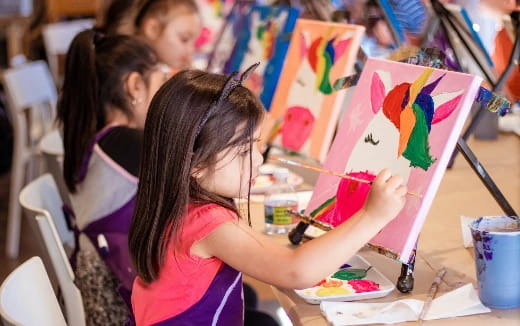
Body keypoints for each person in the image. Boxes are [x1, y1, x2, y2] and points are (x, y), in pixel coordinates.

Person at [128, 64, 408, 325]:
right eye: (243, 150)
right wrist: (371, 216)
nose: (258, 161)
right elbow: (296, 271)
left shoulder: (176, 204)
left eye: (257, 146)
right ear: (196, 164)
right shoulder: (209, 224)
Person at [56, 29, 169, 325]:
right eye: (162, 82)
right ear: (135, 86)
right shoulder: (127, 144)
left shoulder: (100, 140)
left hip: (104, 291)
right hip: (118, 308)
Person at [99, 0, 202, 71]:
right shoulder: (127, 73)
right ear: (152, 29)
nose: (191, 50)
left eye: (194, 42)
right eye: (184, 39)